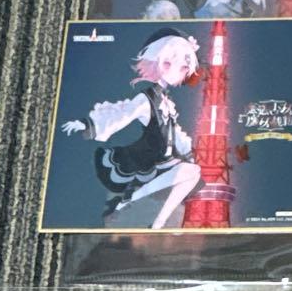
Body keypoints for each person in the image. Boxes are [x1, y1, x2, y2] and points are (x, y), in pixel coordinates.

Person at [61, 28, 201, 229]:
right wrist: (87, 123)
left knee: (192, 171)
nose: (180, 70)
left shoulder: (167, 102)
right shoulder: (147, 99)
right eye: (169, 63)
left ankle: (156, 220)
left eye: (184, 67)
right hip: (146, 159)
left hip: (166, 160)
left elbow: (175, 132)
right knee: (190, 172)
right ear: (158, 62)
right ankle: (135, 200)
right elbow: (123, 114)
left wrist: (188, 151)